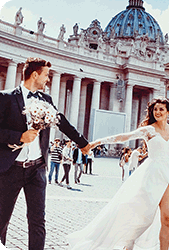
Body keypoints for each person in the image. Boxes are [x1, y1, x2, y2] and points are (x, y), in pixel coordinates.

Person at [67, 98, 169, 250]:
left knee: (168, 219)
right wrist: (97, 142)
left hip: (167, 175)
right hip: (151, 175)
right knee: (140, 217)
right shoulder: (148, 130)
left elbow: (167, 153)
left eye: (161, 109)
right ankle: (127, 244)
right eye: (155, 109)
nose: (157, 112)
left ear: (168, 112)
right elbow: (124, 137)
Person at [0, 57, 90, 250]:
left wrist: (83, 143)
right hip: (10, 169)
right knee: (1, 220)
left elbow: (62, 123)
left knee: (38, 221)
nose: (48, 80)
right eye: (46, 75)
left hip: (37, 169)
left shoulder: (46, 100)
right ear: (35, 74)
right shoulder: (5, 97)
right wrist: (19, 136)